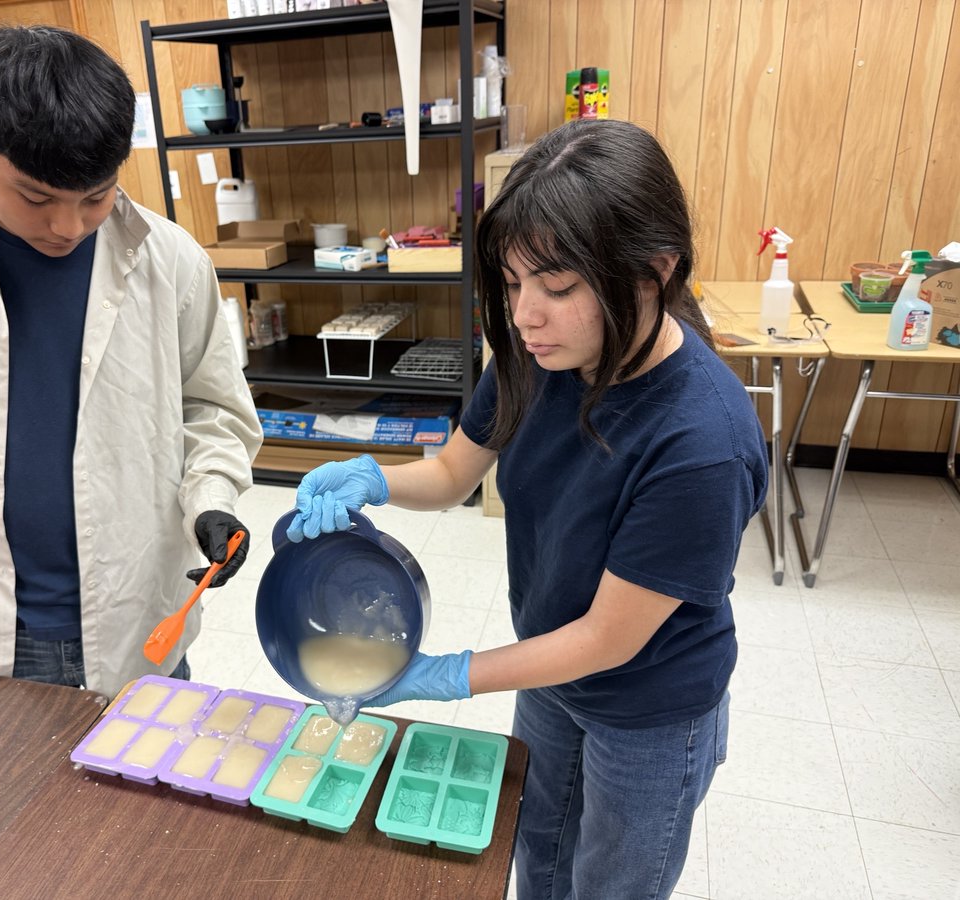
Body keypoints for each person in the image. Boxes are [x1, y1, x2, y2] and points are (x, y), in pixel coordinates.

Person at [286, 119, 768, 899]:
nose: (525, 315)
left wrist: (447, 676)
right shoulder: (539, 356)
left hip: (649, 706)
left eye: (558, 287)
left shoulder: (701, 443)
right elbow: (454, 471)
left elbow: (606, 638)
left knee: (610, 883)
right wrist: (372, 479)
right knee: (537, 853)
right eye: (513, 285)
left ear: (654, 272)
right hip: (551, 665)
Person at [0, 25, 262, 698]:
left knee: (143, 765)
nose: (69, 227)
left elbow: (213, 409)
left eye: (96, 196)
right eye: (37, 197)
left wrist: (212, 500)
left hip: (137, 613)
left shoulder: (172, 261)